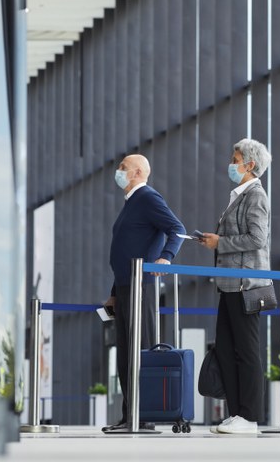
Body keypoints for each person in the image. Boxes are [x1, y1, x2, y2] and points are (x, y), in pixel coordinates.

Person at [102, 154, 186, 432]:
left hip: (142, 286)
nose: (118, 171)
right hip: (125, 287)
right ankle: (130, 416)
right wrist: (114, 292)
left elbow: (177, 229)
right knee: (126, 353)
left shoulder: (148, 197)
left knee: (140, 352)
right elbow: (126, 250)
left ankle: (144, 416)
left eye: (123, 168)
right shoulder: (130, 203)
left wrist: (166, 257)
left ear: (137, 172)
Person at [198, 138, 272, 434]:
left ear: (249, 165)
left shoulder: (256, 196)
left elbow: (258, 239)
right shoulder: (238, 195)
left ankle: (250, 416)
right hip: (229, 284)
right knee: (227, 350)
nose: (231, 163)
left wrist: (221, 243)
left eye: (235, 158)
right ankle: (237, 413)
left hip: (246, 285)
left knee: (246, 351)